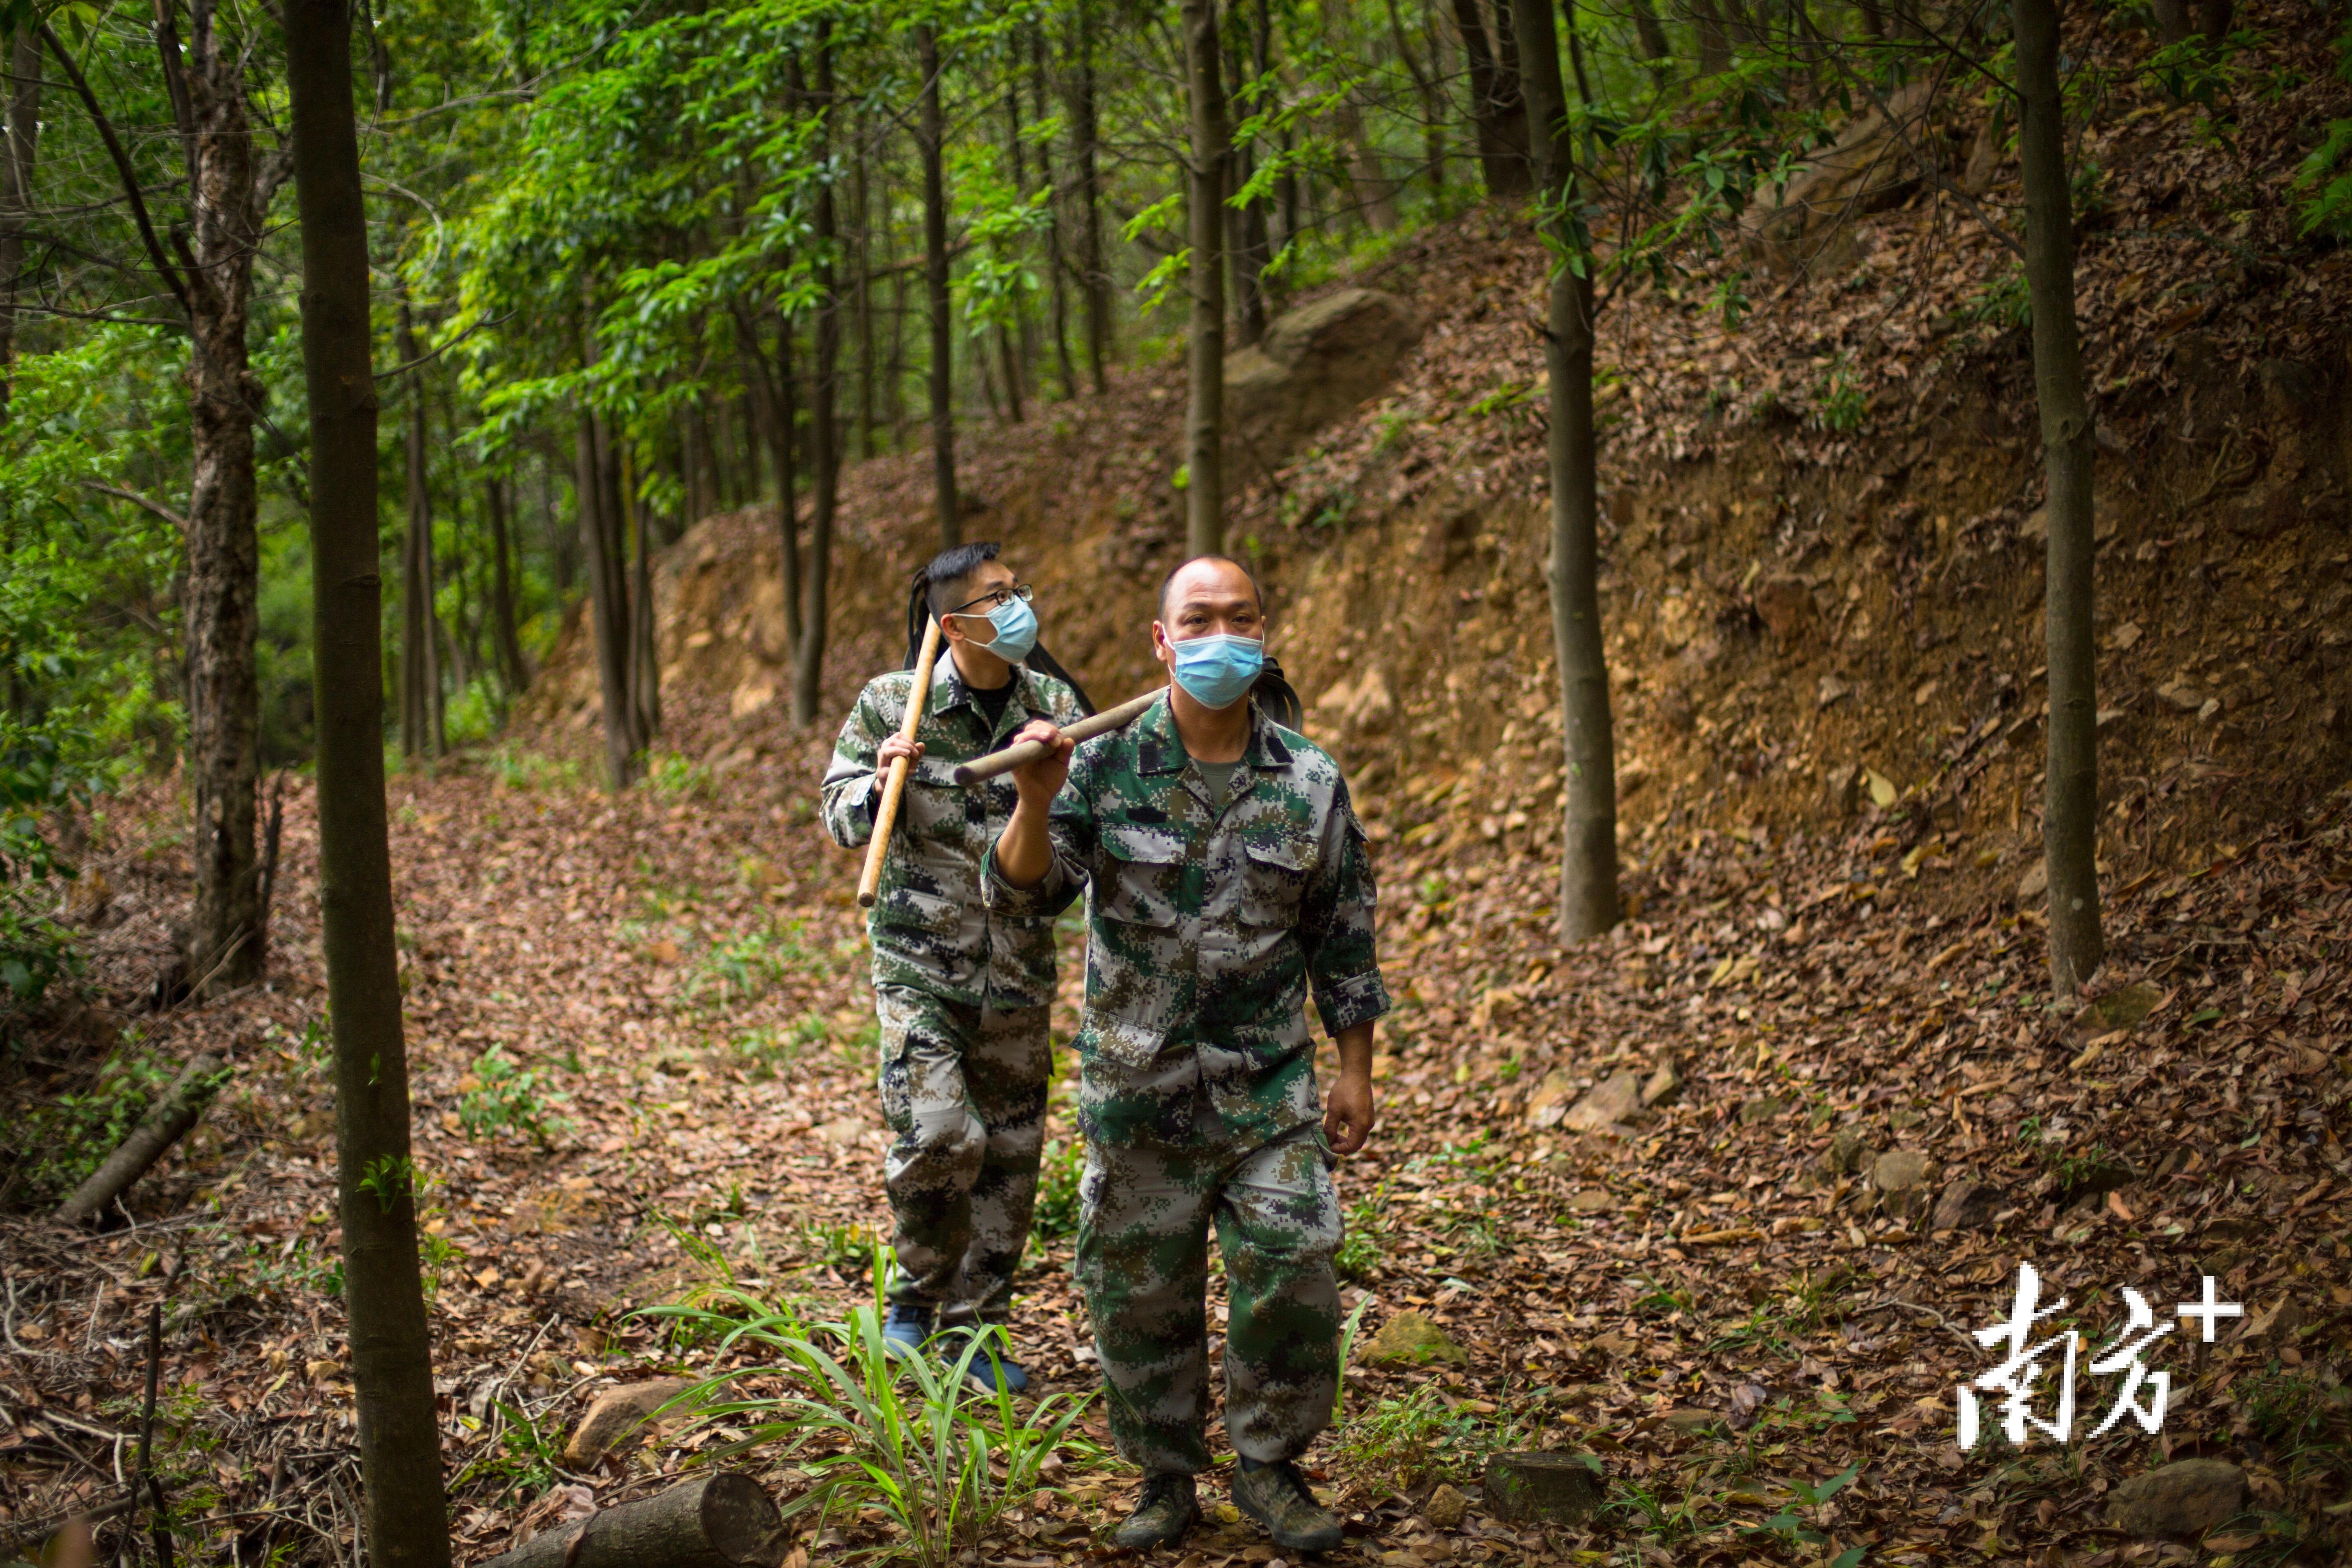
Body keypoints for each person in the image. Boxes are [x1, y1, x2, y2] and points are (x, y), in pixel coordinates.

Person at [984, 556, 1386, 1554]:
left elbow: (1344, 933)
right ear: (1162, 642)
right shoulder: (1103, 762)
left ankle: (1270, 1469)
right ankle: (1165, 1478)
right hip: (1138, 1092)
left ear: (1264, 632)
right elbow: (1026, 893)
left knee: (1294, 1265)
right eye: (1197, 620)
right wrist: (1034, 801)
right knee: (1138, 1292)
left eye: (1238, 618)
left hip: (1270, 1088)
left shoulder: (1307, 777)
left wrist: (1355, 1067)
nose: (1220, 636)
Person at [820, 542, 1093, 1393]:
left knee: (1009, 1159)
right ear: (953, 625)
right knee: (942, 1135)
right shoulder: (891, 705)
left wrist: (1054, 787)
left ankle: (977, 1335)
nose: (1020, 609)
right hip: (919, 966)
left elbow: (1079, 847)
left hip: (1017, 968)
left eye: (1021, 591)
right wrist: (874, 788)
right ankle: (914, 1301)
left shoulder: (1052, 706)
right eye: (999, 597)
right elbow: (837, 815)